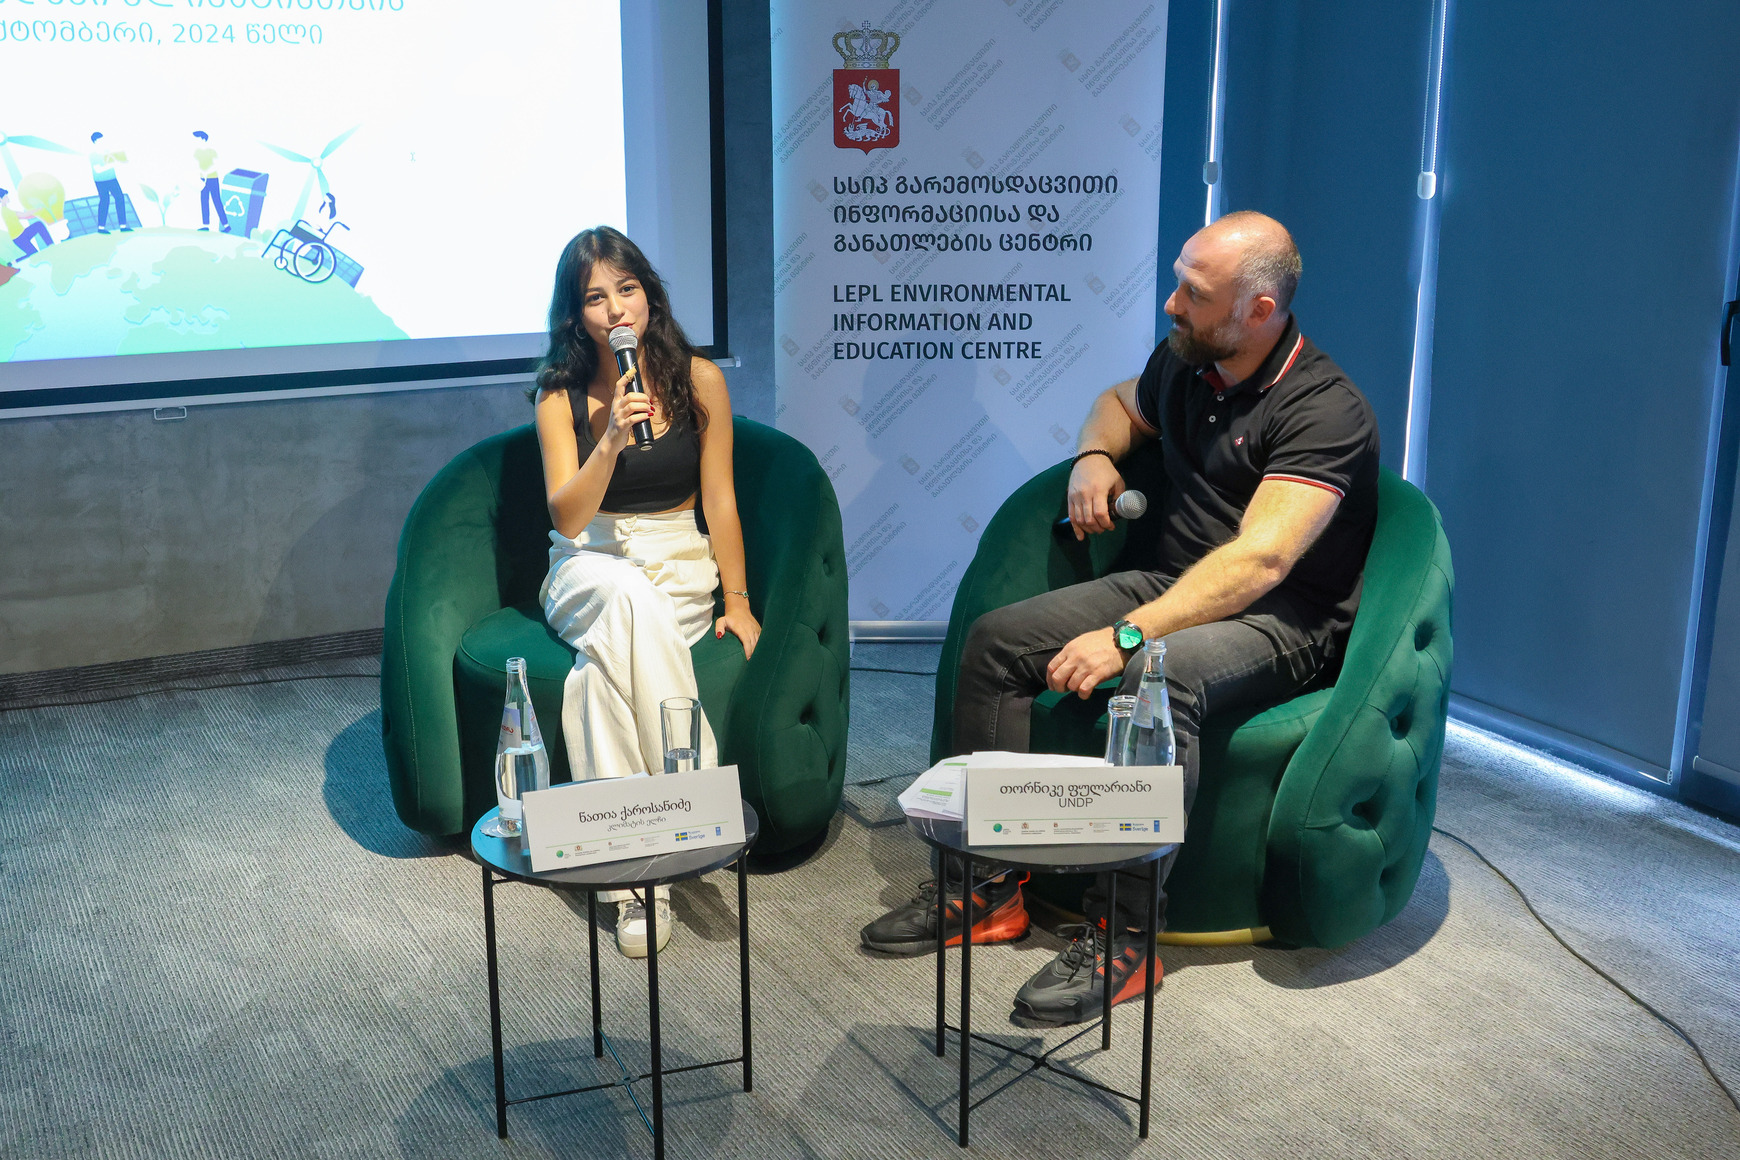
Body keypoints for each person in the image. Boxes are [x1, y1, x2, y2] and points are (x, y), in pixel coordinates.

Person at [860, 211, 1380, 1024]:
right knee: (996, 643)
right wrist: (1095, 455)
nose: (1172, 304)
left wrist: (1129, 635)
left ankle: (1127, 938)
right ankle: (984, 888)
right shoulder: (1190, 360)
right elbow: (1116, 402)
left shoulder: (1325, 410)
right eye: (1177, 281)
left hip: (1279, 620)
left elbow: (1261, 562)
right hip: (1169, 580)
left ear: (1259, 311)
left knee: (1154, 681)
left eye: (1194, 292)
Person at [533, 226, 760, 960]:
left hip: (677, 562)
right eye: (595, 298)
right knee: (626, 596)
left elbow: (719, 499)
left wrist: (738, 601)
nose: (615, 309)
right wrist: (608, 442)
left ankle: (631, 878)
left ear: (649, 296)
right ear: (577, 316)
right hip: (587, 564)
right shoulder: (559, 397)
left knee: (597, 679)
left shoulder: (700, 380)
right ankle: (692, 808)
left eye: (626, 289)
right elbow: (567, 518)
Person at [89, 133, 132, 233]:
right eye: (100, 140)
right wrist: (113, 164)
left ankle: (123, 226)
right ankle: (101, 227)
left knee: (120, 198)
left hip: (112, 178)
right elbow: (98, 170)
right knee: (105, 201)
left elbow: (117, 160)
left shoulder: (108, 152)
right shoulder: (93, 155)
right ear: (95, 142)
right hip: (100, 181)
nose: (103, 142)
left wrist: (121, 161)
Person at [192, 132, 230, 233]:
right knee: (204, 201)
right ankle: (205, 225)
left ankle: (226, 225)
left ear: (203, 139)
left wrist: (206, 173)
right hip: (203, 179)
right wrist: (201, 175)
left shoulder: (211, 151)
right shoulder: (197, 152)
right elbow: (197, 165)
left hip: (212, 178)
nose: (195, 141)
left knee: (216, 201)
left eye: (197, 139)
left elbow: (216, 165)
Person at [1, 187, 54, 258]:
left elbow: (25, 216)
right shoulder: (6, 211)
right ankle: (51, 245)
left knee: (34, 253)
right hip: (21, 237)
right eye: (5, 196)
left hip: (18, 238)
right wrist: (39, 209)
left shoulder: (5, 211)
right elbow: (24, 215)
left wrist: (39, 213)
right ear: (1, 199)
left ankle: (14, 262)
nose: (7, 197)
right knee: (39, 225)